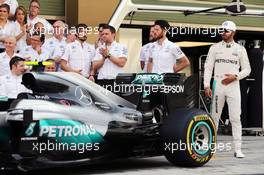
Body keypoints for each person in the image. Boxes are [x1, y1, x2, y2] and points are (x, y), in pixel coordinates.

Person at [203, 21, 251, 158]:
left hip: (233, 85)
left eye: (226, 31)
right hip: (217, 84)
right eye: (221, 31)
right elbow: (208, 67)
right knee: (214, 117)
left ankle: (238, 149)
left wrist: (235, 76)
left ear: (233, 32)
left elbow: (247, 69)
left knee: (235, 117)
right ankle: (210, 148)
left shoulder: (241, 49)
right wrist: (207, 85)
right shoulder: (214, 48)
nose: (223, 33)